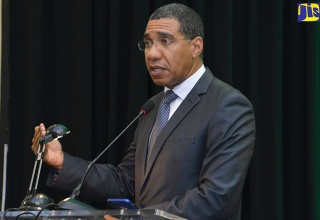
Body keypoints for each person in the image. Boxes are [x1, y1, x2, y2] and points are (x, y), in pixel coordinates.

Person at [32, 3, 255, 220]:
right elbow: (127, 183)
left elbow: (216, 198)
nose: (152, 54)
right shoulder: (154, 106)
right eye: (148, 44)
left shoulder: (227, 105)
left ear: (196, 46)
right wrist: (62, 161)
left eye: (165, 41)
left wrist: (137, 218)